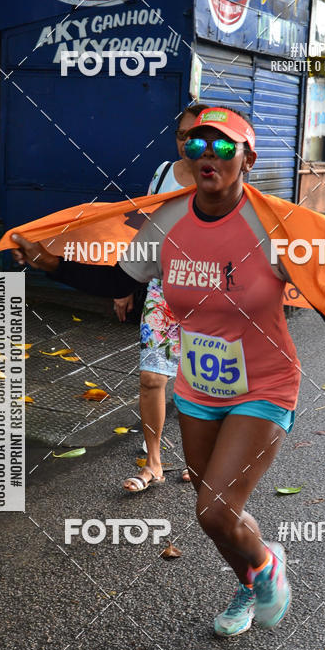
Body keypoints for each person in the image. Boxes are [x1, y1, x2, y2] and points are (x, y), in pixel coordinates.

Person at [9, 106, 325, 638]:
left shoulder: (273, 226)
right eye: (197, 146)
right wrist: (54, 266)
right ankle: (250, 581)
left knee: (213, 509)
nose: (209, 156)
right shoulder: (168, 220)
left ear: (247, 159)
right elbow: (119, 284)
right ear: (186, 155)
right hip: (198, 386)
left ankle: (267, 567)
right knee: (216, 509)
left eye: (224, 147)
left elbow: (319, 286)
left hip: (263, 383)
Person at [114, 104, 208, 492]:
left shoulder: (224, 175)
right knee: (153, 377)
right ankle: (153, 462)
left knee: (200, 381)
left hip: (212, 292)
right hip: (163, 288)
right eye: (183, 135)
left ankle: (199, 460)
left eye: (199, 136)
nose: (190, 143)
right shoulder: (163, 173)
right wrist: (122, 283)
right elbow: (141, 224)